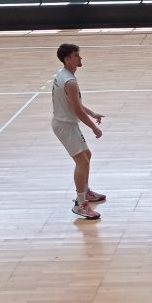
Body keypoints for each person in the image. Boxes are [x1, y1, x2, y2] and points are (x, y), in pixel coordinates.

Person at [51, 43, 105, 219]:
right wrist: (94, 127)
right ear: (68, 60)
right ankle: (81, 205)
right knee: (82, 162)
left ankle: (85, 191)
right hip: (65, 126)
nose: (80, 58)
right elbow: (77, 111)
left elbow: (75, 104)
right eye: (76, 55)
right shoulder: (70, 82)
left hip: (66, 124)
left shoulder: (63, 75)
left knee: (86, 156)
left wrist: (93, 113)